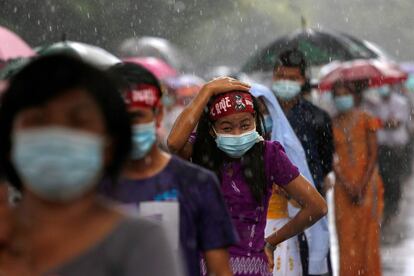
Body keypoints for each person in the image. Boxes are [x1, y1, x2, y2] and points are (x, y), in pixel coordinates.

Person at [0, 54, 181, 276]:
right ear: (9, 141)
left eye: (78, 121)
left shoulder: (140, 243)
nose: (58, 136)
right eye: (38, 120)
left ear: (109, 145)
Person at [168, 77, 327, 276]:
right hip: (207, 266)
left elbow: (317, 206)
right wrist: (207, 90)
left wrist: (271, 242)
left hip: (247, 268)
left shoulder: (268, 154)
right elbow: (173, 143)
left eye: (245, 125)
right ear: (212, 129)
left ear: (255, 122)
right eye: (226, 128)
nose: (237, 134)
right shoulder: (201, 150)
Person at [101, 62, 237, 276]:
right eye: (117, 118)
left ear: (158, 114)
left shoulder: (197, 184)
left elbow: (220, 271)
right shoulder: (87, 189)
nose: (125, 128)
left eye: (136, 117)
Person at [251, 84, 330, 276]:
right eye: (256, 112)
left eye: (264, 110)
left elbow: (308, 204)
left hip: (280, 234)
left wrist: (287, 193)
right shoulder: (235, 154)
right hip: (246, 235)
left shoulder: (284, 151)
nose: (261, 117)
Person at [271, 49, 334, 276]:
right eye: (281, 77)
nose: (285, 83)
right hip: (275, 205)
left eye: (292, 78)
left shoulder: (317, 117)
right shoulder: (265, 114)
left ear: (303, 80)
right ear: (273, 78)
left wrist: (303, 188)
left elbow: (325, 162)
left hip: (309, 200)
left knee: (313, 257)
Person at [331, 81, 383, 276]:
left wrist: (361, 185)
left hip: (368, 185)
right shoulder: (331, 122)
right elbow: (332, 158)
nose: (342, 98)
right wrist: (346, 183)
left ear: (354, 96)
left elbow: (373, 155)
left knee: (368, 237)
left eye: (346, 93)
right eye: (338, 94)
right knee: (346, 237)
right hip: (342, 189)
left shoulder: (367, 119)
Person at [364, 84, 411, 223]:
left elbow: (396, 123)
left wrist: (381, 123)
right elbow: (373, 122)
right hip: (382, 147)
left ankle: (393, 205)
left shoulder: (400, 102)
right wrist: (383, 123)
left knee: (395, 177)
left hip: (397, 147)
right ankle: (387, 204)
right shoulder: (374, 103)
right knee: (384, 176)